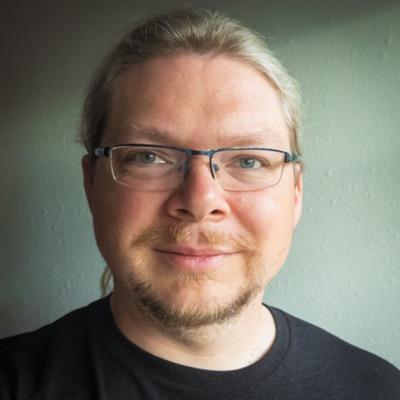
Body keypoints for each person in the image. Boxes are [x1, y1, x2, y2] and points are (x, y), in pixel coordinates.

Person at [1, 8, 399, 400]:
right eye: (149, 157)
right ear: (92, 183)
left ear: (295, 192)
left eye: (248, 161)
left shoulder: (379, 389)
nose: (200, 200)